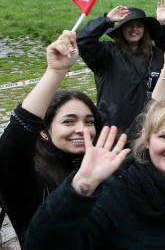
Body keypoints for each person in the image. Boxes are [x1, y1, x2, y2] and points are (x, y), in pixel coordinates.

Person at [25, 90, 165, 249]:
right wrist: (80, 185)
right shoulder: (116, 192)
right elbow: (42, 243)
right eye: (164, 136)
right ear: (146, 139)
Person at [0, 31, 103, 248]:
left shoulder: (102, 167)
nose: (82, 130)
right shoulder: (29, 178)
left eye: (89, 121)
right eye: (68, 122)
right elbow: (13, 144)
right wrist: (55, 72)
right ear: (44, 131)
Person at [77, 0, 165, 133]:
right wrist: (107, 20)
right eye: (129, 25)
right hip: (112, 128)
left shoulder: (156, 55)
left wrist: (161, 25)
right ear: (121, 29)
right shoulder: (106, 53)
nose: (134, 29)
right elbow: (82, 41)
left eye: (139, 25)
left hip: (147, 128)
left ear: (145, 30)